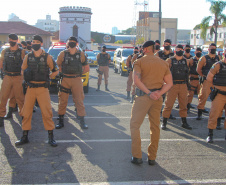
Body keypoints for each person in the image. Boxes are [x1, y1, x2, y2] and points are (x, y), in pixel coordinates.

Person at [130, 40, 173, 165]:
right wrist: (158, 94)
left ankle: (137, 156)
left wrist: (149, 93)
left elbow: (136, 81)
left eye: (143, 49)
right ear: (154, 49)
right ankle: (152, 157)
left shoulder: (139, 61)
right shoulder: (163, 63)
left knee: (135, 125)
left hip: (143, 97)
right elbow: (169, 83)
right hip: (157, 99)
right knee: (155, 127)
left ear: (146, 49)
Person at [15, 35, 59, 147]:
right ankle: (24, 137)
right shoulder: (28, 57)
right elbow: (22, 70)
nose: (34, 43)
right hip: (30, 88)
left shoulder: (47, 57)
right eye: (33, 41)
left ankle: (51, 137)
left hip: (43, 89)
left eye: (37, 42)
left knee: (47, 112)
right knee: (26, 112)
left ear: (41, 44)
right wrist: (26, 79)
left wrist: (48, 77)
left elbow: (56, 70)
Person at [55, 36, 89, 130]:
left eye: (73, 42)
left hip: (76, 79)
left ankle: (82, 121)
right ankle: (61, 120)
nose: (71, 43)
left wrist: (78, 74)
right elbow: (58, 65)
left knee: (79, 100)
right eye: (70, 41)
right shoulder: (63, 54)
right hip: (65, 79)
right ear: (67, 43)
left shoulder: (81, 54)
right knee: (62, 100)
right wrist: (62, 72)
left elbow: (86, 68)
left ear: (76, 43)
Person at [161, 44, 192, 130]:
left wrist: (188, 84)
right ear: (175, 50)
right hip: (172, 85)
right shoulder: (170, 60)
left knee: (183, 105)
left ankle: (184, 122)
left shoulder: (186, 61)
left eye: (181, 49)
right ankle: (164, 122)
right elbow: (164, 72)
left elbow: (187, 73)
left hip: (183, 85)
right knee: (169, 104)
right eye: (178, 49)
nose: (180, 51)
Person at [0, 34, 25, 126]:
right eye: (9, 40)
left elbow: (25, 64)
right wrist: (2, 73)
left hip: (18, 77)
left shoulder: (22, 52)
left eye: (13, 40)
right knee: (3, 97)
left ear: (17, 40)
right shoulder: (5, 51)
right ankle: (1, 117)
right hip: (7, 76)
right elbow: (1, 62)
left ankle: (23, 116)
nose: (11, 41)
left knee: (19, 97)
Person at [196, 43, 220, 120]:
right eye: (211, 48)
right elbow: (198, 69)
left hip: (216, 81)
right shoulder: (204, 58)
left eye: (214, 48)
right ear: (208, 49)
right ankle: (199, 113)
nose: (213, 49)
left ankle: (217, 115)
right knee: (203, 96)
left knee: (217, 98)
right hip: (207, 81)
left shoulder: (218, 57)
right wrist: (203, 76)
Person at [205, 55, 226, 143]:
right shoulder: (217, 65)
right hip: (219, 94)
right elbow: (209, 78)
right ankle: (210, 134)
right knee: (214, 114)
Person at [155, 39, 175, 120]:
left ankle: (167, 112)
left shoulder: (173, 54)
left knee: (170, 96)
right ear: (163, 45)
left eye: (168, 44)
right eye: (165, 44)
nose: (167, 45)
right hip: (161, 77)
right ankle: (158, 111)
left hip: (170, 77)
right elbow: (154, 64)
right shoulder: (159, 54)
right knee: (161, 95)